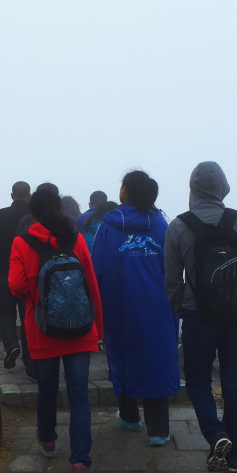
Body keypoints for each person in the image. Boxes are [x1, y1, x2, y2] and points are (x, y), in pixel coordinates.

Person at [164, 161, 237, 473]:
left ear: (192, 191)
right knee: (235, 384)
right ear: (223, 189)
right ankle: (236, 458)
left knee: (196, 381)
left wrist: (182, 308)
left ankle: (216, 433)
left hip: (197, 317)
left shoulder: (178, 226)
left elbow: (171, 281)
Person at [9, 188, 104, 473]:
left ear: (33, 214)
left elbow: (16, 287)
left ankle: (48, 440)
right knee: (79, 396)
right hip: (79, 329)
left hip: (42, 329)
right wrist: (98, 329)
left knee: (47, 389)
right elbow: (91, 283)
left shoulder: (22, 243)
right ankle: (80, 463)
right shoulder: (75, 238)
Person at [92, 171, 179, 446]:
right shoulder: (161, 226)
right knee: (157, 360)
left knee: (123, 357)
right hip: (159, 307)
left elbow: (97, 271)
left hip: (119, 307)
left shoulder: (108, 227)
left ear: (125, 191)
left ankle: (129, 416)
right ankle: (158, 430)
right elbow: (174, 270)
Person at [0, 181, 34, 376]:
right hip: (29, 274)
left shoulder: (1, 215)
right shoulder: (33, 216)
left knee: (6, 313)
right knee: (28, 316)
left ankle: (11, 345)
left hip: (5, 271)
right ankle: (30, 362)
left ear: (12, 196)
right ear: (29, 195)